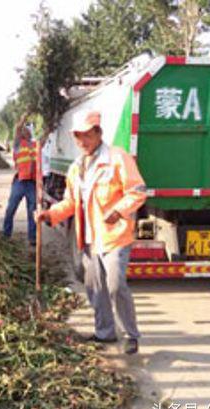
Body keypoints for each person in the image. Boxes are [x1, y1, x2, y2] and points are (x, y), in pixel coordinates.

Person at [35, 111, 147, 355]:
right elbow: (71, 202)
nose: (82, 141)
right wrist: (50, 215)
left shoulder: (118, 158)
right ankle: (105, 332)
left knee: (116, 285)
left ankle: (131, 334)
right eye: (78, 137)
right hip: (88, 238)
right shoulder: (76, 168)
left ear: (99, 134)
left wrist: (119, 210)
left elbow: (137, 191)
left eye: (87, 135)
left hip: (114, 236)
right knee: (95, 288)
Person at [3, 113, 37, 246]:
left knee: (32, 212)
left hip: (32, 183)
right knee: (11, 208)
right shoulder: (18, 144)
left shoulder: (34, 145)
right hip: (20, 182)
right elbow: (18, 127)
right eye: (24, 130)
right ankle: (6, 234)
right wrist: (25, 115)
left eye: (27, 130)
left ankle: (32, 238)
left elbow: (44, 140)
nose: (25, 131)